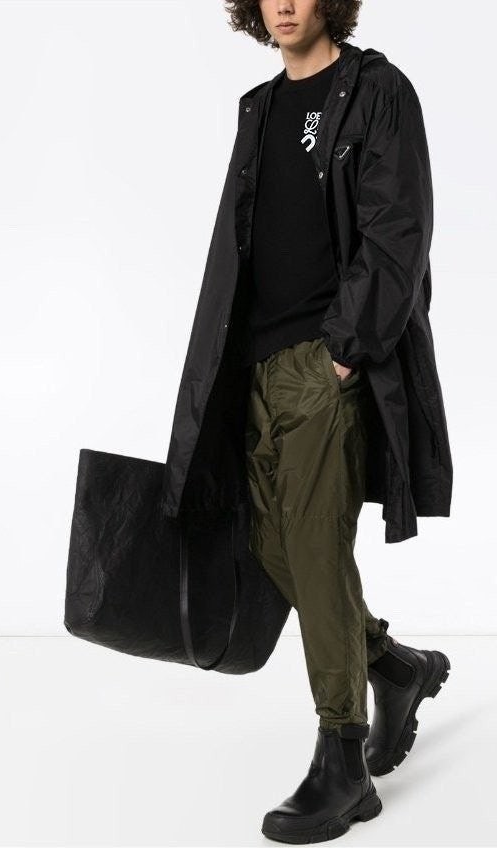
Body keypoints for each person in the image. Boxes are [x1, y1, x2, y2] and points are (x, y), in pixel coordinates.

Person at [222, 0, 452, 842]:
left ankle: (343, 761)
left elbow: (399, 230)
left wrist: (343, 356)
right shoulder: (258, 108)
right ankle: (394, 665)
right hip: (256, 365)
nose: (284, 4)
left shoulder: (377, 92)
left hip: (326, 364)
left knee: (317, 550)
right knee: (270, 546)